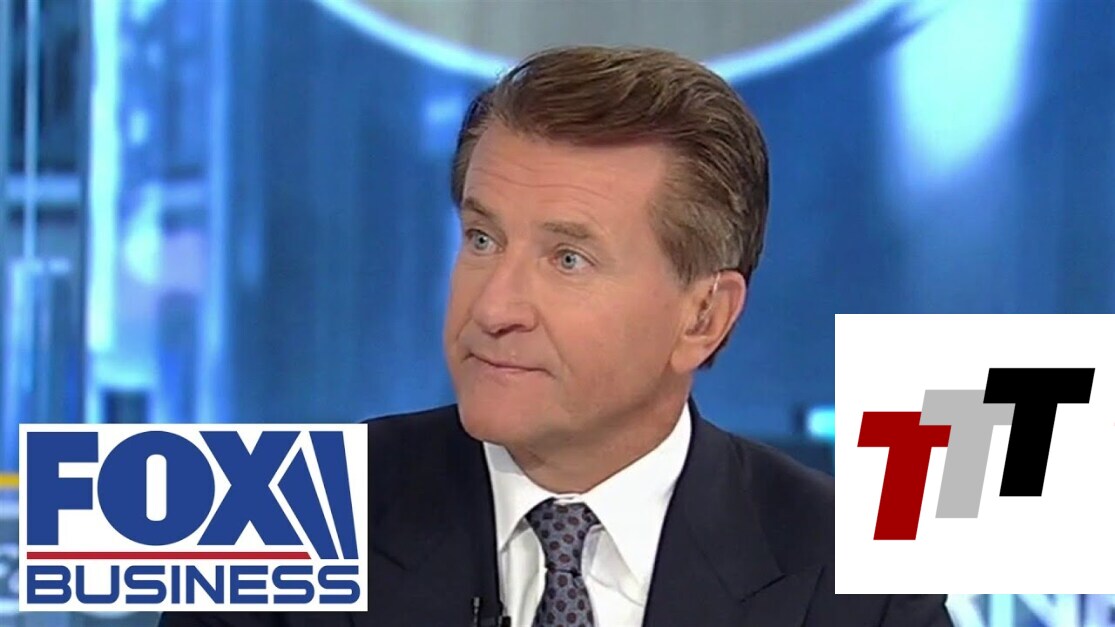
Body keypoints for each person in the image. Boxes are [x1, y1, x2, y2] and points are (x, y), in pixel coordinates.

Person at [160, 45, 952, 626]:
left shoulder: (858, 583)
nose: (493, 305)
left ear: (703, 316)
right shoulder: (272, 522)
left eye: (567, 258)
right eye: (482, 239)